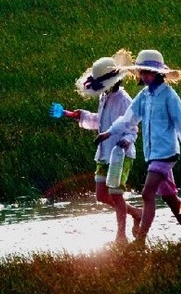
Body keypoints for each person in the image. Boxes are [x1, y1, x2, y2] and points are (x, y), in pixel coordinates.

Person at [95, 49, 181, 247]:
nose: (144, 76)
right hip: (152, 154)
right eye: (142, 72)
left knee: (147, 194)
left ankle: (141, 239)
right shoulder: (144, 96)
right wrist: (108, 132)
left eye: (148, 72)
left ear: (158, 73)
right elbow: (128, 118)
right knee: (170, 197)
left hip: (166, 153)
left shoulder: (169, 96)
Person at [61, 49, 142, 246]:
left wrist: (127, 141)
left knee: (115, 193)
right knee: (101, 195)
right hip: (104, 153)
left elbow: (133, 127)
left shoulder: (124, 101)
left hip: (121, 154)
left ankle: (121, 235)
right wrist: (76, 115)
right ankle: (136, 213)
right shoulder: (104, 98)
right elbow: (100, 121)